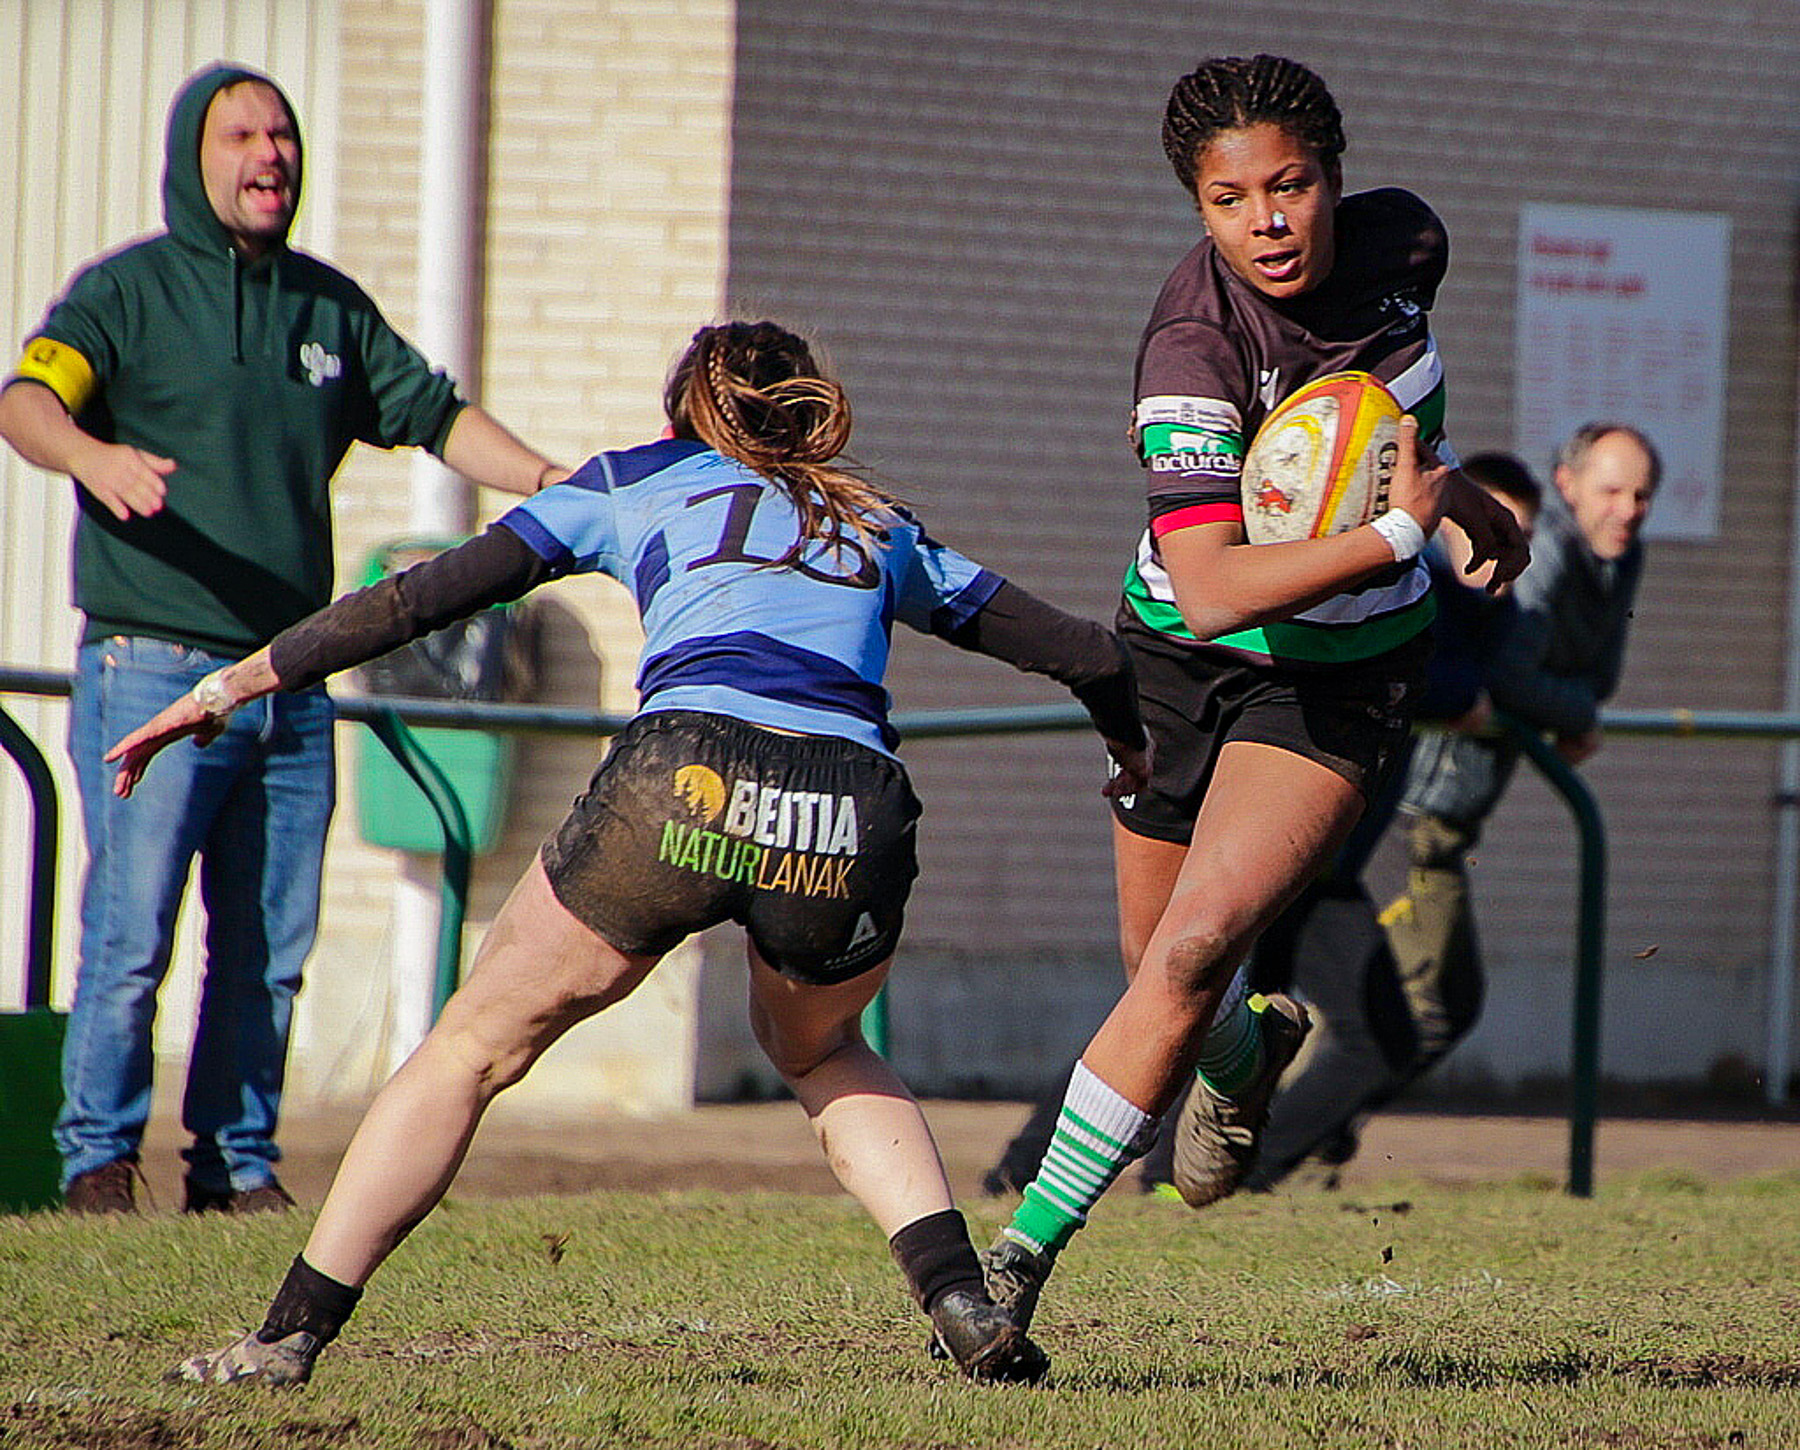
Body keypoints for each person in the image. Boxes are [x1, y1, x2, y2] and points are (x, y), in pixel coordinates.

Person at [105, 319, 1148, 1386]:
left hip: (680, 780)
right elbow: (1083, 653)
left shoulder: (629, 478)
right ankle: (959, 1298)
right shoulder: (874, 517)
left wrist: (229, 684)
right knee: (826, 1049)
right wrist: (1131, 759)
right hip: (846, 806)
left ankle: (285, 1338)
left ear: (676, 416)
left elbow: (420, 599)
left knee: (471, 1047)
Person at [977, 54, 1528, 1333]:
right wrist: (1406, 534)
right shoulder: (1191, 348)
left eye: (1292, 185)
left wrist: (1459, 498)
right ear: (1198, 207)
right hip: (1183, 651)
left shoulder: (1409, 247)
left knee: (1186, 950)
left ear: (1336, 177)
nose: (1269, 222)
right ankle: (1243, 1056)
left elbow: (1397, 434)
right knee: (1159, 967)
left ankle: (1013, 1264)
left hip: (1338, 676)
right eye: (1232, 200)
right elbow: (1216, 589)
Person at [0, 64, 569, 1217]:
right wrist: (91, 457)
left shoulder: (329, 310)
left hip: (289, 678)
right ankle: (97, 1165)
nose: (272, 154)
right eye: (243, 136)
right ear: (193, 160)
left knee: (266, 947)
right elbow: (25, 402)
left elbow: (438, 414)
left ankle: (236, 1165)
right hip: (151, 668)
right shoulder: (126, 295)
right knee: (131, 934)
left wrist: (556, 486)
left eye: (284, 134)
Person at [1234, 450, 1546, 1191]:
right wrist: (1462, 694)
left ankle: (1233, 1175)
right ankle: (1212, 1176)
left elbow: (1480, 674)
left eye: (1513, 537)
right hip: (1287, 849)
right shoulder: (1412, 588)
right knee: (1199, 1021)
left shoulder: (1483, 613)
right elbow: (1414, 671)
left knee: (1255, 1028)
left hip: (1326, 863)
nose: (1497, 554)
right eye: (1486, 529)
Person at [1361, 423, 1656, 1141]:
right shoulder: (1545, 557)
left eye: (1642, 495)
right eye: (1611, 490)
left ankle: (1302, 1137)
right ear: (1568, 486)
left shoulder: (1617, 563)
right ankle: (1274, 1145)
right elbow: (1512, 675)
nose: (1628, 509)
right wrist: (1575, 709)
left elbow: (1600, 675)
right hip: (1418, 802)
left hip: (1459, 810)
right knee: (1404, 1013)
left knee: (1437, 1007)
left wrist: (1576, 705)